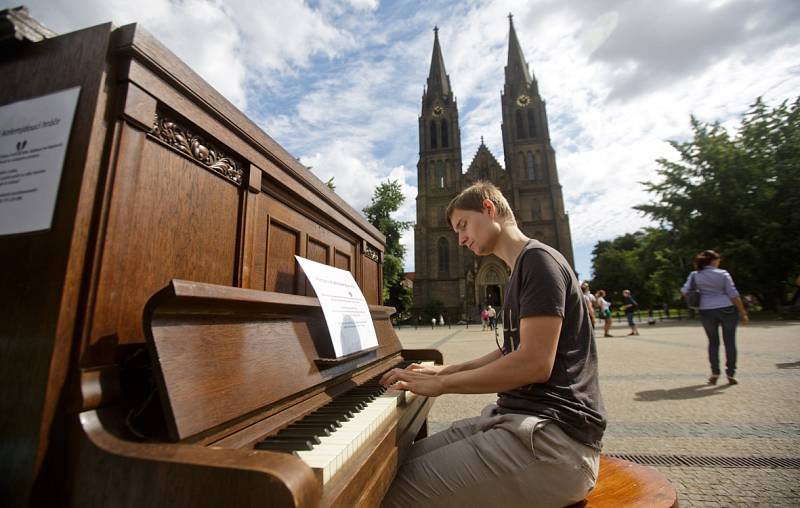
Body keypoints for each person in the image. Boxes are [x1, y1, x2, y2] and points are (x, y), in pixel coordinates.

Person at [380, 181, 605, 507]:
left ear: (489, 209)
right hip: (516, 423)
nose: (460, 239)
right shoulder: (522, 267)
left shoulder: (539, 261)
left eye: (463, 225)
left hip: (554, 444)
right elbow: (512, 349)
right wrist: (445, 369)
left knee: (386, 495)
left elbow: (533, 364)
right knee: (389, 468)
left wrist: (443, 384)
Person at [681, 250, 749, 385]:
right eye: (718, 260)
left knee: (713, 342)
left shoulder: (695, 275)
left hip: (706, 310)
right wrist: (742, 312)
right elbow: (733, 294)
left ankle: (715, 372)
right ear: (713, 260)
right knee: (730, 342)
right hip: (727, 309)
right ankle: (731, 373)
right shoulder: (723, 274)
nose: (719, 262)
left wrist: (698, 295)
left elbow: (684, 291)